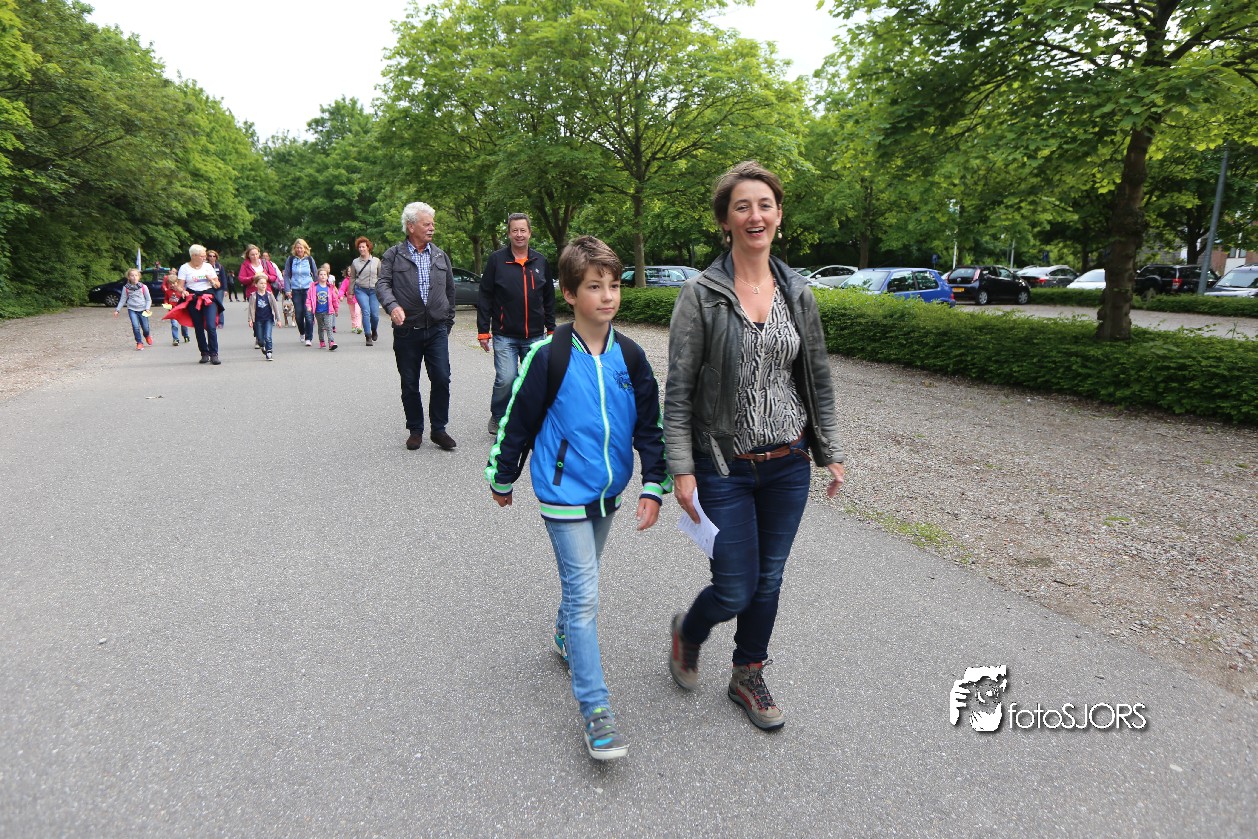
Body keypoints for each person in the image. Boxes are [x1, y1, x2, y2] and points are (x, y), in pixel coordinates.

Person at [663, 161, 846, 732]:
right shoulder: (700, 295)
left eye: (764, 205)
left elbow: (816, 377)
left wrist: (830, 449)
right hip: (723, 464)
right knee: (735, 586)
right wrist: (681, 468)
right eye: (742, 206)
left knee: (769, 579)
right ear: (725, 221)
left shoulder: (798, 292)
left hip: (788, 461)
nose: (755, 215)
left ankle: (748, 673)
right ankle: (690, 631)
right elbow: (679, 389)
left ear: (779, 215)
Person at [485, 235, 670, 761]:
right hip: (562, 492)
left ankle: (565, 636)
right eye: (594, 286)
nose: (607, 296)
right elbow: (517, 421)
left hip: (609, 492)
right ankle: (596, 709)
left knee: (582, 580)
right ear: (569, 293)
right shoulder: (549, 355)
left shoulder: (631, 357)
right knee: (586, 594)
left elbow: (650, 428)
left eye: (613, 286)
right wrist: (503, 476)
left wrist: (653, 484)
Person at [376, 202, 458, 451]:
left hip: (436, 329)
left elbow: (450, 291)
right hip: (407, 330)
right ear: (411, 227)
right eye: (427, 224)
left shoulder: (440, 255)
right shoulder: (393, 255)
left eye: (433, 224)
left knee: (441, 378)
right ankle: (415, 429)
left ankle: (439, 429)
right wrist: (392, 306)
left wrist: (448, 321)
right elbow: (383, 284)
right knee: (410, 382)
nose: (432, 228)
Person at [476, 212, 556, 435]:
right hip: (505, 335)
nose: (519, 234)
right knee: (506, 379)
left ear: (529, 233)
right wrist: (483, 331)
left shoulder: (540, 261)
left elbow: (549, 298)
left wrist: (551, 328)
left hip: (535, 335)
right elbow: (485, 296)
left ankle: (530, 417)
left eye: (523, 230)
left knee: (533, 380)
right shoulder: (496, 260)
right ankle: (498, 415)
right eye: (514, 230)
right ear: (509, 234)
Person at [177, 244, 223, 364]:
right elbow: (179, 286)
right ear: (194, 256)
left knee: (210, 325)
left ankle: (214, 354)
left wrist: (211, 280)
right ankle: (204, 353)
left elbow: (218, 284)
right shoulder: (184, 268)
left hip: (208, 298)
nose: (204, 258)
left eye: (204, 256)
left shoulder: (208, 267)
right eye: (202, 256)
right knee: (198, 327)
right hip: (193, 298)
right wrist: (183, 291)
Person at [283, 239, 318, 346]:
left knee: (308, 315)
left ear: (305, 248)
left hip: (308, 289)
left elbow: (315, 274)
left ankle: (308, 338)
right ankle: (302, 332)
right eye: (297, 248)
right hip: (296, 290)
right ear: (295, 249)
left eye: (301, 248)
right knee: (298, 315)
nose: (299, 250)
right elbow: (286, 275)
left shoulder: (309, 259)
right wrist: (287, 289)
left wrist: (318, 288)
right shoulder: (291, 259)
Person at [348, 236, 381, 345]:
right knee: (366, 311)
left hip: (374, 290)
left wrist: (383, 290)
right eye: (359, 247)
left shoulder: (376, 261)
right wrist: (350, 292)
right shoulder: (355, 262)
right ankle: (368, 335)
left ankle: (374, 329)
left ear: (368, 247)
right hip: (361, 290)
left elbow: (381, 276)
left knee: (375, 315)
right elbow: (352, 278)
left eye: (363, 247)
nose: (361, 249)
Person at [113, 268, 153, 350]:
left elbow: (148, 299)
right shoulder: (126, 288)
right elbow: (123, 299)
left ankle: (147, 335)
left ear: (139, 277)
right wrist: (117, 310)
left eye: (136, 275)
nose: (134, 277)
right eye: (132, 275)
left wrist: (147, 308)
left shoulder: (143, 287)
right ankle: (139, 342)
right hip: (132, 309)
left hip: (143, 309)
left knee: (145, 328)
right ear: (129, 277)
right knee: (135, 326)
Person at [307, 266, 340, 350]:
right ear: (318, 276)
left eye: (325, 274)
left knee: (329, 326)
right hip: (318, 311)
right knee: (321, 327)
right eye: (321, 274)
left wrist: (336, 309)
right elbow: (309, 298)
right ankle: (321, 341)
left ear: (327, 276)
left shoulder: (330, 287)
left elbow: (334, 299)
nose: (323, 276)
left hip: (328, 311)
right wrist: (309, 306)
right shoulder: (314, 287)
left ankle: (331, 342)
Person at [247, 275, 280, 360]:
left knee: (268, 337)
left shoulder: (270, 295)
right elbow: (251, 308)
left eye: (265, 283)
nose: (263, 285)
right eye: (261, 283)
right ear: (256, 285)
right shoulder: (253, 296)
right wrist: (250, 319)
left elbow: (275, 307)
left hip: (268, 319)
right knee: (260, 339)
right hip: (258, 320)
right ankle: (262, 346)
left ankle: (269, 352)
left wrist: (278, 319)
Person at [162, 269, 190, 346]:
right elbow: (166, 299)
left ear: (177, 282)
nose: (172, 285)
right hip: (172, 310)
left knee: (183, 324)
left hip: (181, 310)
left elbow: (185, 299)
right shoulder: (168, 291)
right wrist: (166, 303)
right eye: (170, 284)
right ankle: (175, 339)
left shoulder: (181, 291)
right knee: (174, 324)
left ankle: (186, 335)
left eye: (174, 283)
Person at [207, 249, 228, 328]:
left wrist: (225, 289)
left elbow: (223, 278)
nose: (212, 257)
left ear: (216, 257)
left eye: (214, 256)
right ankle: (212, 321)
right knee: (210, 305)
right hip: (209, 288)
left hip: (219, 288)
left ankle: (220, 322)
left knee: (219, 304)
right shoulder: (205, 266)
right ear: (207, 257)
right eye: (210, 256)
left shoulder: (219, 266)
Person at [338, 267, 362, 334]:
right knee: (353, 314)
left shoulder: (358, 280)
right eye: (348, 271)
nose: (350, 273)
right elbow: (342, 289)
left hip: (358, 299)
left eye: (351, 271)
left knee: (357, 312)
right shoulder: (346, 281)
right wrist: (341, 296)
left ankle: (358, 327)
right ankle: (354, 325)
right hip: (350, 299)